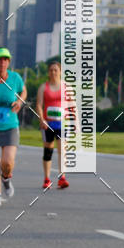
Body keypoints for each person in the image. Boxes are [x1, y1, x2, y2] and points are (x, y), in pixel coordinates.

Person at [0, 47, 27, 206]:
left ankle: (6, 179)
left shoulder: (15, 78)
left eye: (5, 59)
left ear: (9, 62)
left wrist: (19, 101)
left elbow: (23, 91)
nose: (2, 62)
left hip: (10, 125)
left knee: (7, 162)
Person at [37, 60, 69, 189]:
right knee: (48, 151)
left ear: (60, 72)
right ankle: (47, 178)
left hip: (62, 123)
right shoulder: (43, 87)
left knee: (62, 150)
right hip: (48, 124)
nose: (53, 72)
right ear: (48, 73)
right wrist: (41, 119)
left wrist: (76, 122)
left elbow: (72, 105)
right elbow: (39, 104)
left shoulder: (66, 87)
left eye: (56, 70)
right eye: (51, 70)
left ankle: (62, 177)